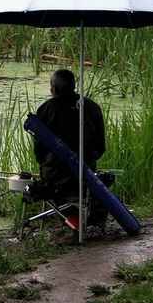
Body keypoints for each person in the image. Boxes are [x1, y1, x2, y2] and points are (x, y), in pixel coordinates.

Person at [28, 68, 106, 204]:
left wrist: (45, 164)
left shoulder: (46, 109)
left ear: (53, 88)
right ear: (73, 86)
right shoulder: (93, 107)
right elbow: (100, 147)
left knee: (49, 173)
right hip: (87, 173)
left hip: (55, 175)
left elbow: (39, 150)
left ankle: (64, 209)